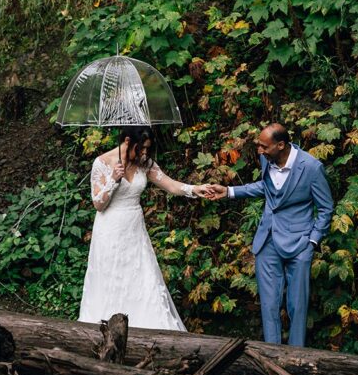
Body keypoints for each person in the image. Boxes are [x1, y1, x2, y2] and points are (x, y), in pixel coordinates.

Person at [78, 125, 215, 328]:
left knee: (142, 276)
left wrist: (195, 189)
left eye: (147, 149)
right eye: (140, 148)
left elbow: (171, 185)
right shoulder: (102, 162)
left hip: (134, 230)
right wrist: (113, 180)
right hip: (109, 230)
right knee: (111, 277)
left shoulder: (145, 163)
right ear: (127, 141)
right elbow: (98, 204)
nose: (143, 153)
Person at [209, 124, 334, 346]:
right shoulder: (268, 159)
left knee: (297, 306)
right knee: (268, 304)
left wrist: (312, 242)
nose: (259, 150)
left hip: (300, 243)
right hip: (267, 240)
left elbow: (325, 208)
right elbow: (266, 187)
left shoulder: (312, 167)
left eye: (264, 146)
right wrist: (229, 191)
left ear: (281, 145)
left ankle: (296, 356)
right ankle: (271, 355)